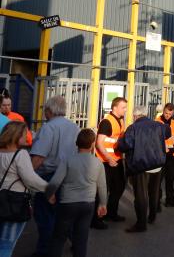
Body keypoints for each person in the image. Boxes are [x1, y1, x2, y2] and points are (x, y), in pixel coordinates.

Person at [30, 95, 79, 256]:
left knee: (45, 216)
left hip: (49, 176)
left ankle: (45, 251)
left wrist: (27, 176)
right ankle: (76, 244)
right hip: (70, 176)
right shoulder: (74, 127)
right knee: (65, 214)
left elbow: (38, 157)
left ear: (49, 111)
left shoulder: (48, 128)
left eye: (45, 110)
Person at [47, 129, 107, 257]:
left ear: (76, 143)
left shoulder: (68, 160)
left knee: (58, 238)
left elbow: (55, 181)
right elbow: (102, 186)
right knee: (81, 239)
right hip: (88, 204)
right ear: (92, 144)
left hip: (67, 203)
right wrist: (103, 204)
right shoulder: (98, 163)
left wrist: (50, 194)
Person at [117, 105, 169, 233]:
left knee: (141, 195)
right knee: (154, 191)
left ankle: (141, 224)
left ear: (135, 116)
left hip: (141, 165)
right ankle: (152, 216)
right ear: (145, 114)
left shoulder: (133, 128)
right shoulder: (159, 125)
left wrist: (120, 140)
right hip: (157, 164)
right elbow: (168, 133)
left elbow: (124, 145)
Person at [0, 122, 48, 256]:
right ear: (16, 135)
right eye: (24, 133)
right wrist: (48, 188)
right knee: (6, 244)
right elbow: (30, 178)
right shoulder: (20, 154)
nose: (27, 136)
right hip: (14, 203)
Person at [93, 96, 127, 229]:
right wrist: (108, 158)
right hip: (105, 162)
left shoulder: (120, 120)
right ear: (115, 108)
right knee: (102, 189)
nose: (125, 110)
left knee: (119, 186)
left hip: (116, 159)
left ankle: (111, 213)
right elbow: (99, 143)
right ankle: (96, 219)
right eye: (123, 107)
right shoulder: (107, 122)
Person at [155, 103, 174, 207]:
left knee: (170, 179)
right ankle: (156, 202)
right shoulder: (157, 122)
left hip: (171, 155)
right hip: (160, 155)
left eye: (170, 113)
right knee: (158, 180)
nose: (167, 115)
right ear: (163, 111)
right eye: (166, 113)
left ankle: (170, 200)